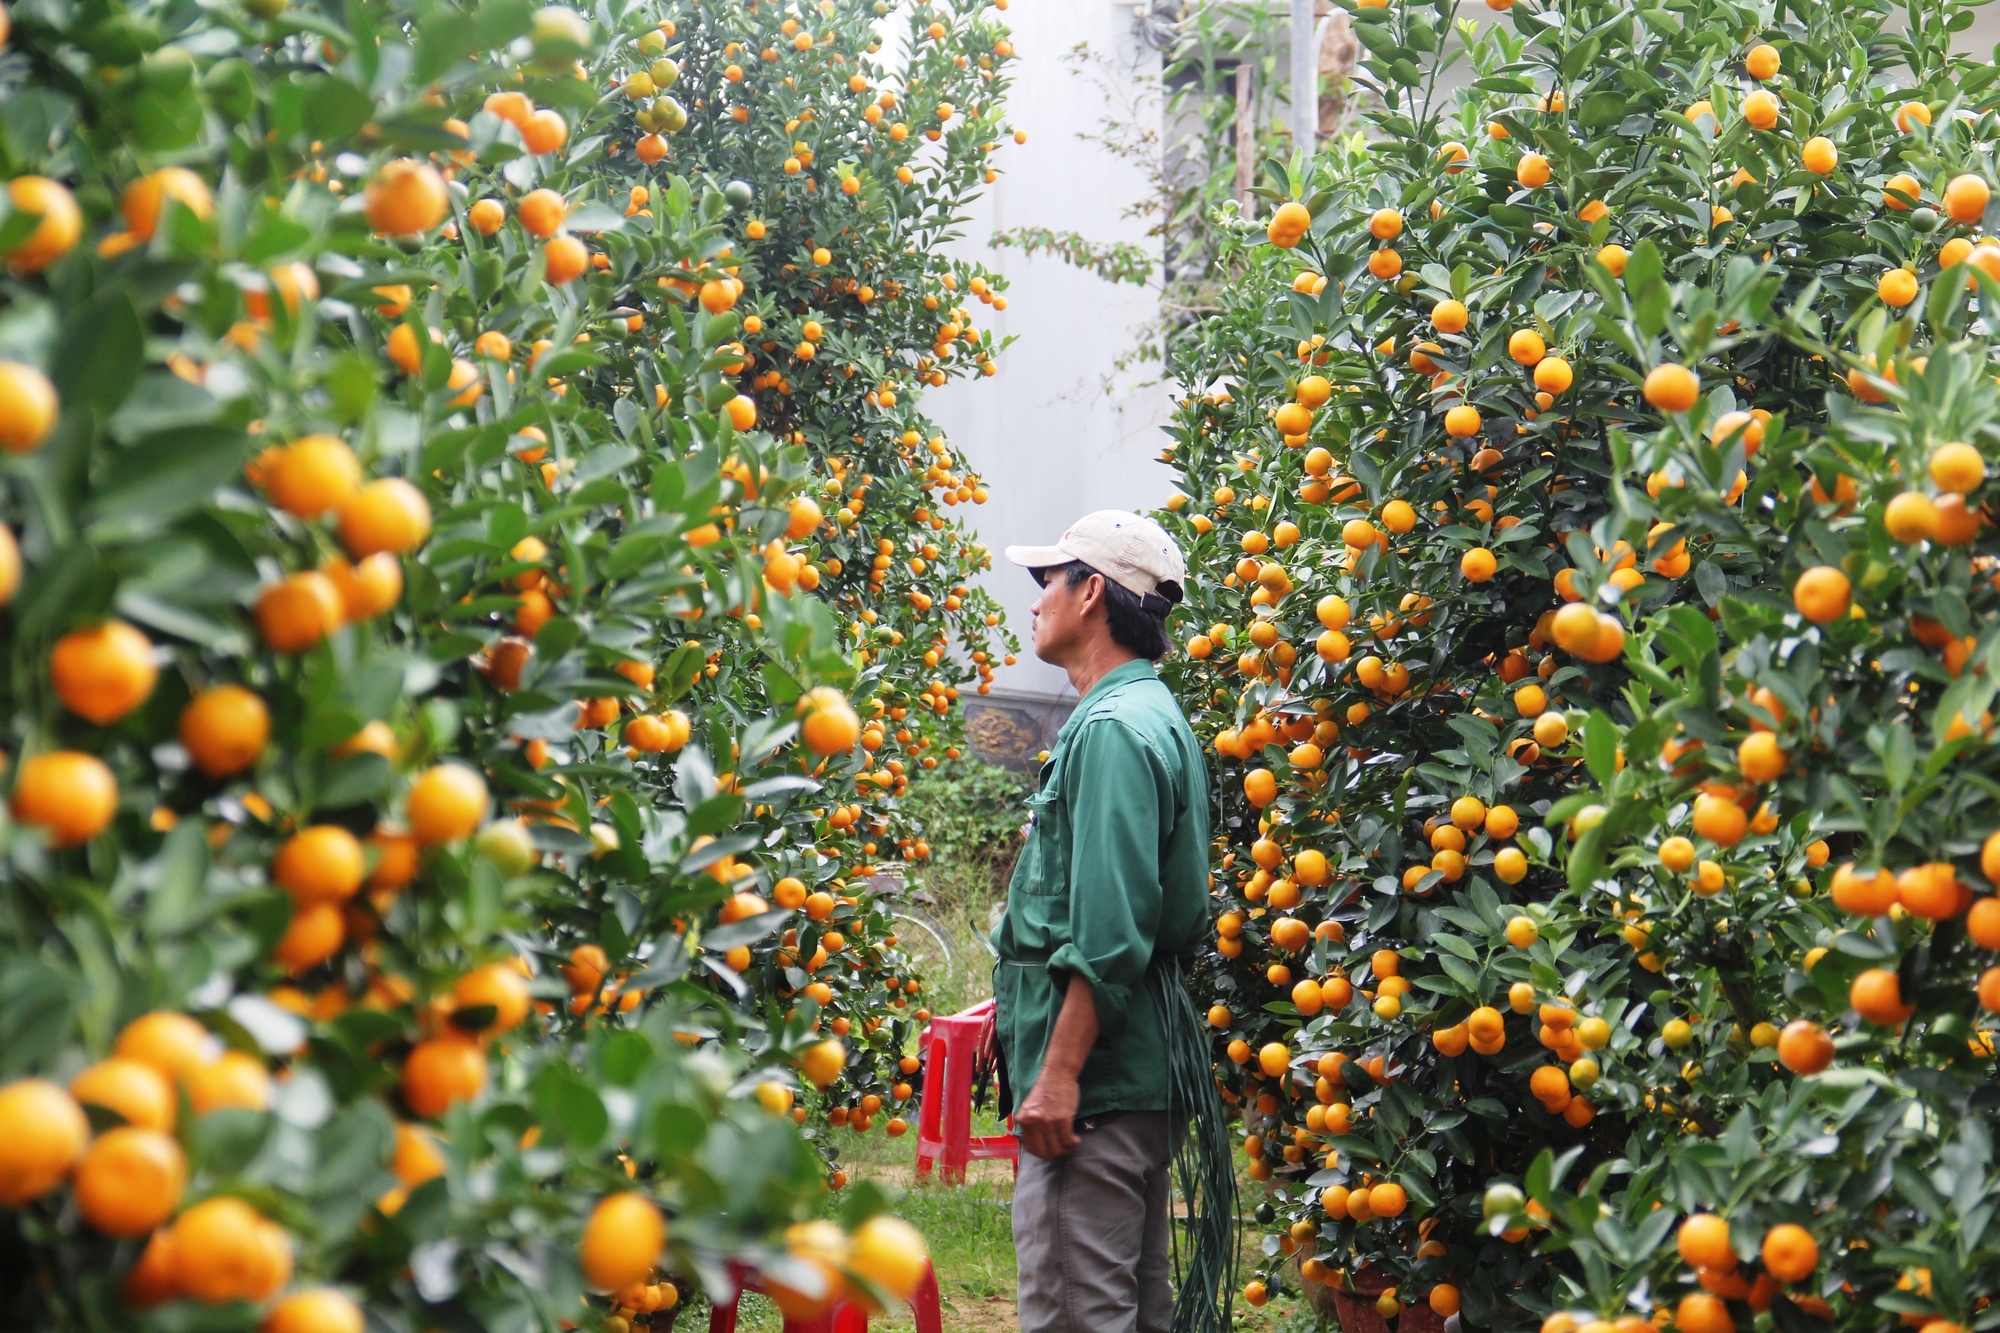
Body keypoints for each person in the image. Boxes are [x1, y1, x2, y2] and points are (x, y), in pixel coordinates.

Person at [991, 510, 1232, 1333]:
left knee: (1076, 1314)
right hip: (1131, 1077)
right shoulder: (1151, 716)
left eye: (1046, 579)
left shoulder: (1114, 732)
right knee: (1129, 1308)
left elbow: (1110, 932)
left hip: (1095, 1087)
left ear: (1092, 590)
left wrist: (1059, 1074)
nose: (1035, 599)